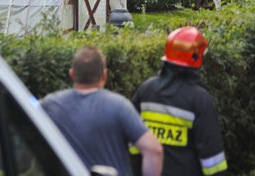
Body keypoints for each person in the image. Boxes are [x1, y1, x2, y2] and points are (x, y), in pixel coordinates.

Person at [41, 45, 163, 176]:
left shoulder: (51, 105)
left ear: (72, 74)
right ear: (104, 75)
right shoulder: (120, 106)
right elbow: (153, 150)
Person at [131, 26, 228, 176]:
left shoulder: (146, 91)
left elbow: (133, 143)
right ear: (196, 57)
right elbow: (212, 160)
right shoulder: (200, 99)